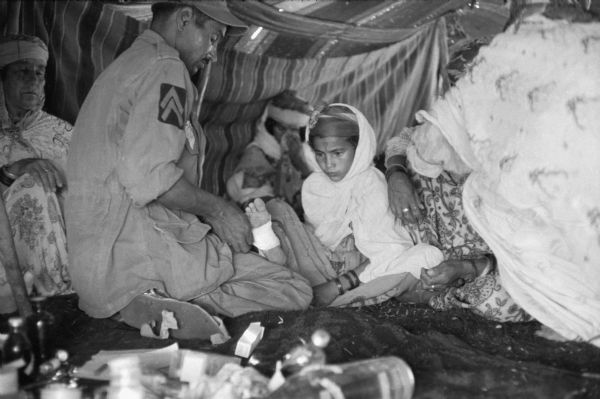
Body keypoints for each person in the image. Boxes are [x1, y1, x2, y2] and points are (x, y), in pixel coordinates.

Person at [65, 0, 312, 339]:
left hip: (96, 268)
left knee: (237, 253)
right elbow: (149, 179)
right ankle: (170, 299)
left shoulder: (130, 64)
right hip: (137, 248)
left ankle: (141, 300)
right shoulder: (167, 68)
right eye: (213, 38)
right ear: (184, 19)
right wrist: (220, 210)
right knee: (293, 287)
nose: (214, 53)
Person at [388, 13, 600, 345]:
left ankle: (464, 278)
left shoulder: (532, 142)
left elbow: (539, 244)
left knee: (502, 302)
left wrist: (474, 267)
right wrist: (396, 173)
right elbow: (406, 140)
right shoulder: (447, 132)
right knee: (423, 161)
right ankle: (440, 276)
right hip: (443, 249)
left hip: (507, 266)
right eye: (460, 87)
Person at [245, 103, 444, 308]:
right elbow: (313, 241)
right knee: (276, 210)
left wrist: (336, 286)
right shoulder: (314, 185)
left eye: (337, 153)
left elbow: (389, 253)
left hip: (360, 272)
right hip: (318, 265)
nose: (328, 164)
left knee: (424, 257)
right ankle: (282, 266)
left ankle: (306, 292)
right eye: (320, 154)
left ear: (358, 149)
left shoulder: (370, 184)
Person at [0, 34, 72, 314]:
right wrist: (11, 173)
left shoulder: (65, 134)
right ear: (3, 79)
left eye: (39, 73)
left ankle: (56, 292)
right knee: (32, 186)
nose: (32, 80)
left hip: (66, 250)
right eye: (22, 72)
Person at [226, 90, 313, 216]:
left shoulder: (308, 153)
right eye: (281, 128)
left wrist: (301, 164)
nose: (287, 135)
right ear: (270, 127)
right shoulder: (256, 156)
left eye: (293, 130)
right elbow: (251, 200)